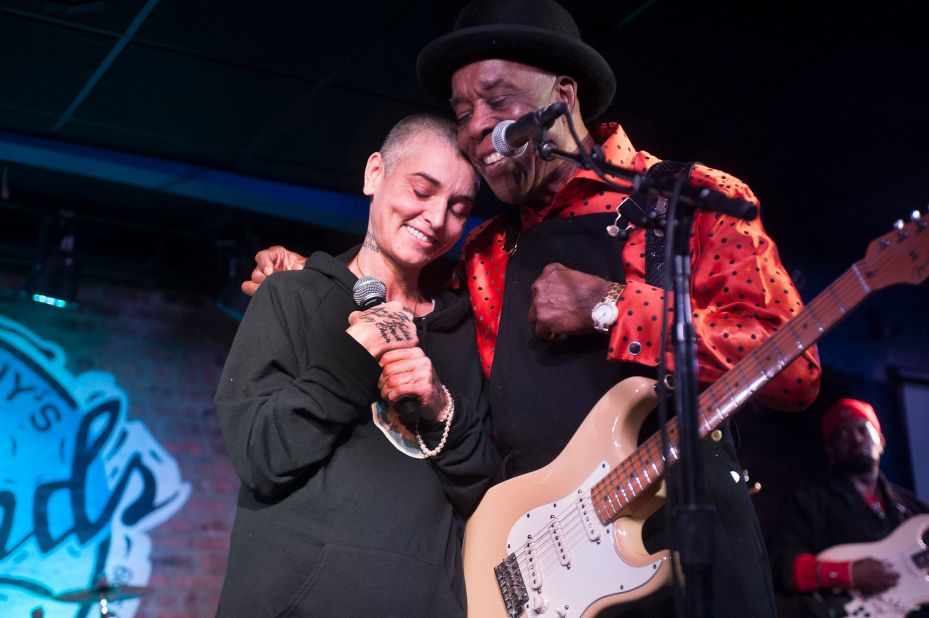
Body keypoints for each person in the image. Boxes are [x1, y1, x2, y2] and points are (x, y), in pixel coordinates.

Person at [243, 1, 822, 615]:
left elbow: (795, 369)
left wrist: (611, 307)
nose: (476, 128)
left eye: (498, 102)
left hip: (678, 542)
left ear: (563, 93)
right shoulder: (486, 250)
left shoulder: (694, 199)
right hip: (546, 572)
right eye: (464, 112)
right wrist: (313, 278)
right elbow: (402, 291)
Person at [214, 114, 496, 617]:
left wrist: (437, 408)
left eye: (458, 207)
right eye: (422, 189)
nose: (436, 218)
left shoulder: (463, 330)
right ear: (373, 174)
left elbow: (481, 489)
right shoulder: (291, 295)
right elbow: (261, 455)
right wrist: (352, 357)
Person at [767, 399, 929, 617]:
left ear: (880, 440)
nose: (856, 438)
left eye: (863, 429)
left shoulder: (913, 507)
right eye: (843, 433)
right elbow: (778, 564)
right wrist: (849, 573)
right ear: (830, 448)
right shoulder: (808, 500)